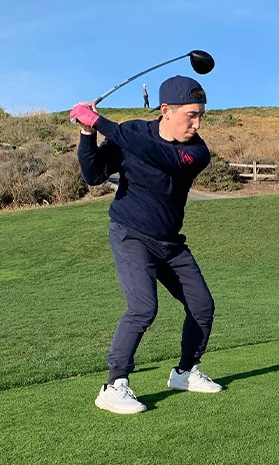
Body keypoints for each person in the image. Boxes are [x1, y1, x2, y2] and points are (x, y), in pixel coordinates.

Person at [70, 75, 222, 415]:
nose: (197, 124)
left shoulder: (196, 152)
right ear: (166, 110)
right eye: (191, 115)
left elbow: (159, 156)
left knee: (202, 306)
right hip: (131, 234)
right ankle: (113, 385)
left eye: (201, 116)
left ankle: (185, 372)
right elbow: (94, 175)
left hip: (170, 243)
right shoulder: (134, 132)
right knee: (143, 308)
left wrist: (101, 122)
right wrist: (87, 133)